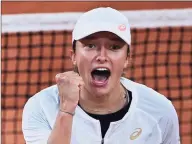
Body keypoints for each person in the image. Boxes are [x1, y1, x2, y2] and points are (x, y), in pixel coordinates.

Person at [22, 7, 180, 144]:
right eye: (90, 46)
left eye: (114, 47)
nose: (102, 56)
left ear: (127, 59)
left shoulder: (159, 111)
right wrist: (65, 111)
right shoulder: (42, 107)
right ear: (74, 56)